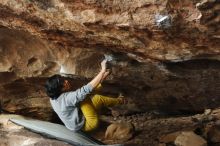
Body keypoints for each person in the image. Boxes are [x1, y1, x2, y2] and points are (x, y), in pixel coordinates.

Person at [45, 60, 125, 132]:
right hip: (88, 123)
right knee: (83, 96)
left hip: (76, 123)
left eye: (63, 79)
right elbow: (86, 90)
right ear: (59, 89)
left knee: (97, 98)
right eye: (63, 83)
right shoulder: (68, 98)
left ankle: (121, 100)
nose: (66, 81)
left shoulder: (53, 98)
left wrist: (104, 76)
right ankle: (121, 99)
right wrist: (102, 71)